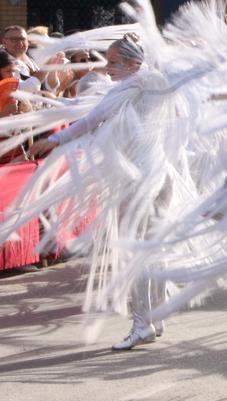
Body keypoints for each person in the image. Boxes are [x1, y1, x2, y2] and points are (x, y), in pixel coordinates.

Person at [31, 33, 171, 349]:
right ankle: (155, 318)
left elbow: (91, 120)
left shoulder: (129, 88)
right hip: (159, 175)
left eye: (112, 62)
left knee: (135, 251)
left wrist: (52, 140)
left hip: (136, 181)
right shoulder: (157, 84)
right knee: (153, 249)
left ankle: (142, 324)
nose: (106, 68)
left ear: (133, 63)